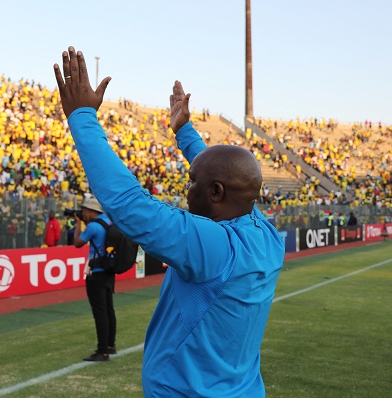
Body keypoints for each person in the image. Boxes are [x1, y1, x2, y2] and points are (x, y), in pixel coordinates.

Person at [54, 47, 284, 396]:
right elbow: (225, 176)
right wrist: (185, 132)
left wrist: (82, 116)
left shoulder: (215, 246)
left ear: (216, 193)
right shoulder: (265, 233)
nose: (187, 189)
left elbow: (130, 206)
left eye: (193, 183)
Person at [73, 195, 116, 362]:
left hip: (96, 271)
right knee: (108, 309)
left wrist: (78, 225)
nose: (83, 213)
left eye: (84, 211)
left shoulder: (93, 226)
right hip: (108, 269)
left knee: (100, 312)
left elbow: (77, 243)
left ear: (91, 212)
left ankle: (102, 350)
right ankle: (110, 345)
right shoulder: (109, 221)